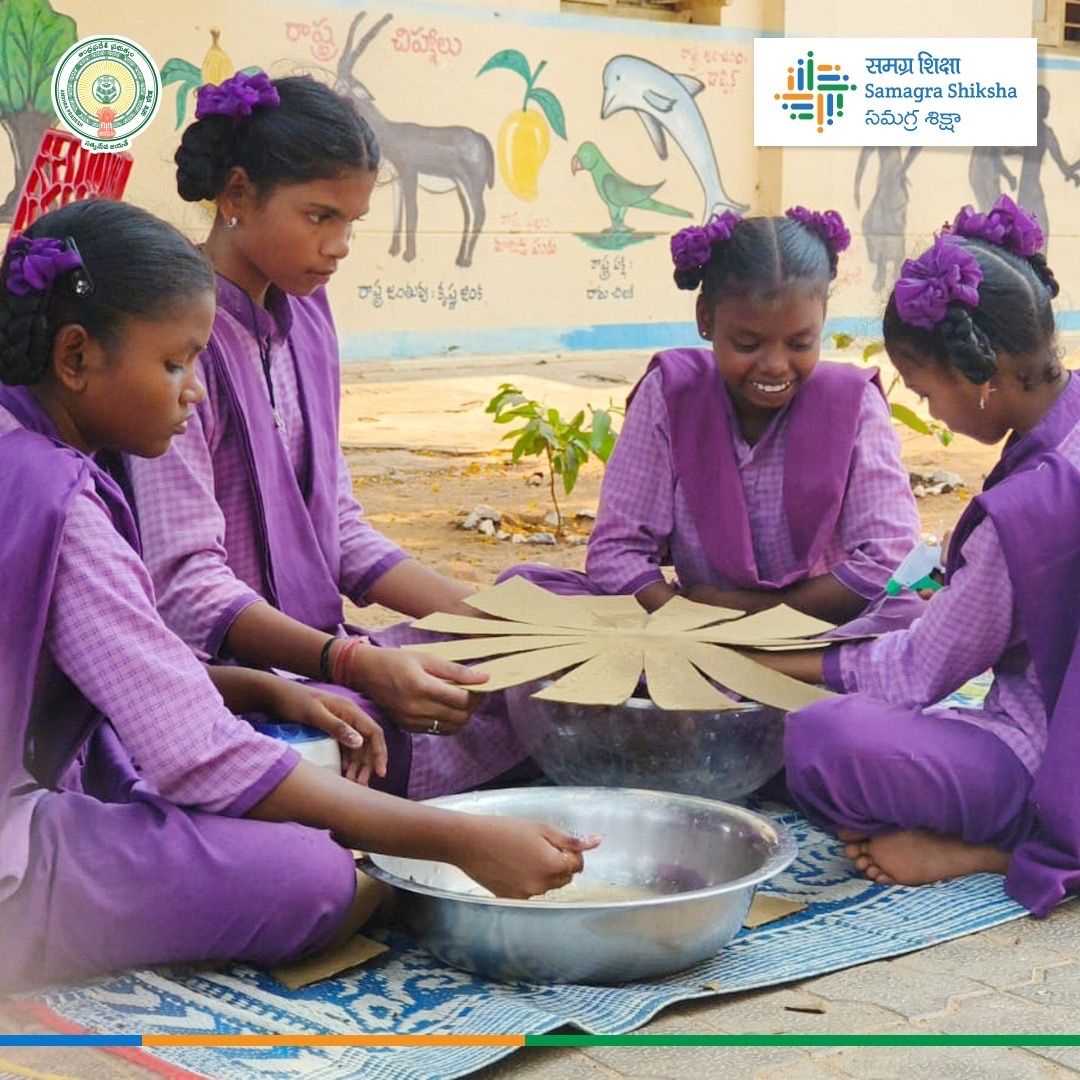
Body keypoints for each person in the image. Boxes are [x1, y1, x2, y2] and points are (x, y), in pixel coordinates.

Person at [0, 199, 596, 993]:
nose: (195, 393)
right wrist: (455, 843)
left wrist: (254, 684)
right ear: (75, 357)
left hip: (148, 717)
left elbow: (69, 662)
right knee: (309, 877)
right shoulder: (61, 500)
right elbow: (199, 753)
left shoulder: (34, 448)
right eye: (175, 364)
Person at [126, 72, 531, 797]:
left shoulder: (307, 315)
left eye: (352, 222)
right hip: (221, 677)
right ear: (240, 195)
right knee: (358, 734)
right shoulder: (172, 337)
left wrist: (490, 622)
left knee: (526, 627)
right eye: (319, 217)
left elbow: (340, 532)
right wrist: (348, 664)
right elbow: (186, 588)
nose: (340, 246)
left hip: (319, 650)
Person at [762, 195, 1080, 917]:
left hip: (1057, 758)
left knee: (822, 738)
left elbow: (915, 672)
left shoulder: (1029, 508)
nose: (932, 413)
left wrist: (755, 664)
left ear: (982, 374)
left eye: (928, 390)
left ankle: (1017, 845)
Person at [508, 208, 920, 626]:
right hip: (690, 629)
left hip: (820, 627)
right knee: (521, 591)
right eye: (747, 343)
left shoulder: (851, 404)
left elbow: (888, 559)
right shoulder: (671, 394)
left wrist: (742, 614)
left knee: (906, 617)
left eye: (800, 342)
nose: (775, 365)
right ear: (706, 318)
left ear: (822, 322)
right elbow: (617, 551)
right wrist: (689, 622)